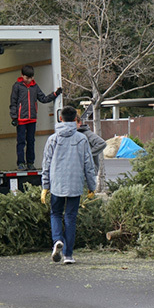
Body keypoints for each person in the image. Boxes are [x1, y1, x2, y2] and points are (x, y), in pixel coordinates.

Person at [40, 106, 97, 265]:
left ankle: (58, 240)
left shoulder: (53, 139)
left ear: (60, 119)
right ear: (75, 120)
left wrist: (45, 187)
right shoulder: (81, 139)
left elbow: (46, 164)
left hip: (57, 183)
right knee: (70, 217)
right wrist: (92, 186)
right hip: (75, 183)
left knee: (56, 214)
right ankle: (68, 255)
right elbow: (88, 165)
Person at [9, 64, 62, 170]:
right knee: (21, 142)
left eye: (31, 77)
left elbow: (43, 98)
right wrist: (14, 117)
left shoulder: (35, 86)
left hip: (32, 119)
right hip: (21, 119)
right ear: (22, 76)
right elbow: (13, 102)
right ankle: (20, 163)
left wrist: (55, 94)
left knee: (31, 141)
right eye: (27, 77)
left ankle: (30, 163)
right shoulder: (17, 86)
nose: (29, 80)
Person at [75, 107, 107, 185]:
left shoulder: (86, 133)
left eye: (74, 122)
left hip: (87, 173)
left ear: (79, 123)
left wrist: (87, 154)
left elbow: (101, 143)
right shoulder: (72, 135)